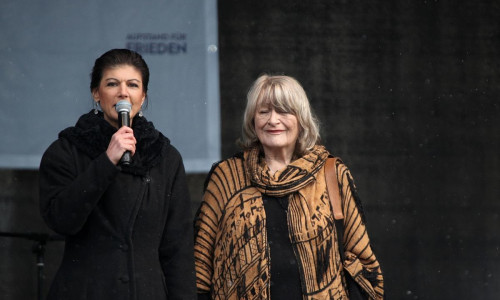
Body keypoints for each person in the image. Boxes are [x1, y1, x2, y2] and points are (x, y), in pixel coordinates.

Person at [194, 74, 384, 299]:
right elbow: (200, 266)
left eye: (283, 111)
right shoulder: (227, 177)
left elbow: (362, 259)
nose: (273, 120)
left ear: (301, 119)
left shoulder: (331, 173)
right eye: (264, 111)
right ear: (253, 120)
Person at [39, 49, 196, 299]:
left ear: (142, 96)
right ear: (96, 93)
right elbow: (61, 220)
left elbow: (178, 248)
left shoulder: (165, 157)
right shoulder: (66, 150)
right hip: (86, 290)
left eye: (132, 85)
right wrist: (107, 161)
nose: (123, 92)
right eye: (112, 84)